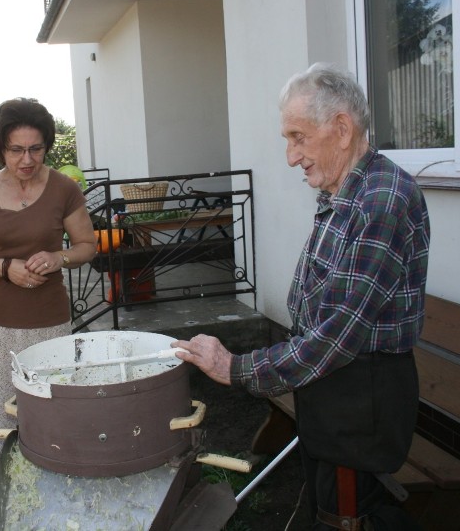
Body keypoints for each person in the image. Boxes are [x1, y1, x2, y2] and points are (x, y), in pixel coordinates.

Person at [173, 63, 430, 530]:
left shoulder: (380, 199)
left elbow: (336, 338)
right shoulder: (345, 190)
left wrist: (235, 367)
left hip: (361, 400)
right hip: (333, 389)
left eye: (299, 137)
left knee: (351, 517)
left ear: (342, 129)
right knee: (326, 508)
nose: (291, 156)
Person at [0, 98, 97, 520]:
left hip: (50, 325)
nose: (27, 159)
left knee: (53, 422)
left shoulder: (64, 189)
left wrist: (60, 258)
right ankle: (1, 517)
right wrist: (4, 268)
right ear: (0, 148)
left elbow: (88, 246)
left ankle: (53, 517)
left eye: (36, 149)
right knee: (0, 427)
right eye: (16, 149)